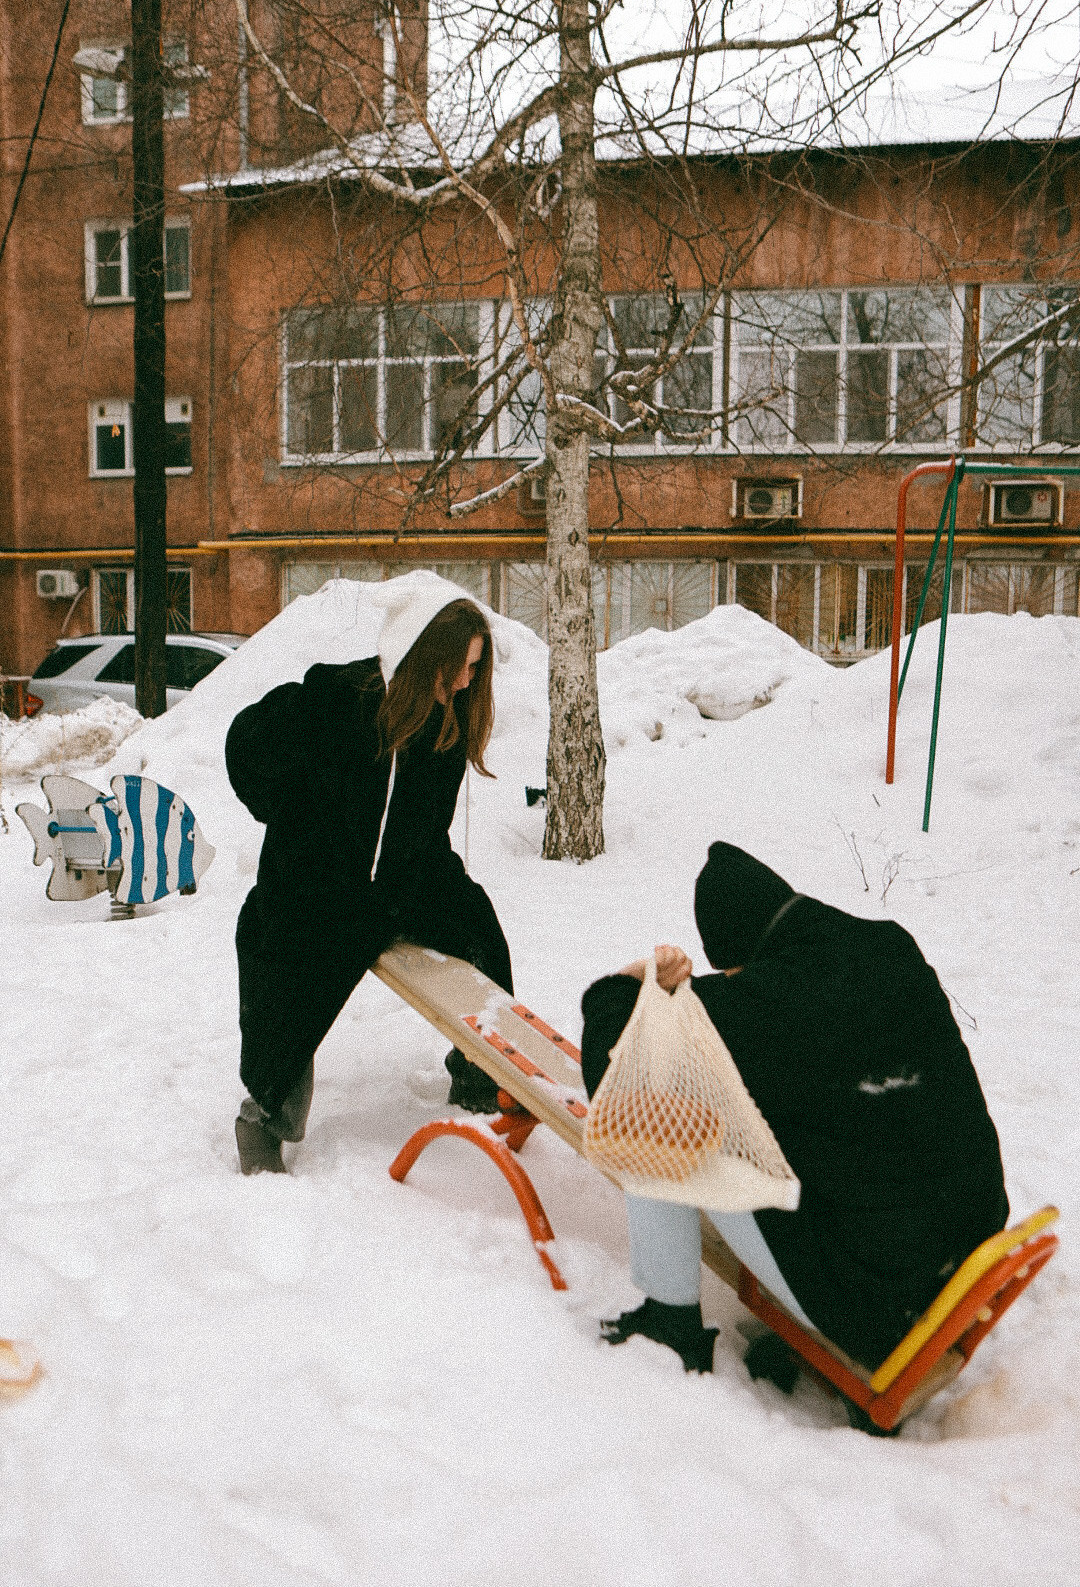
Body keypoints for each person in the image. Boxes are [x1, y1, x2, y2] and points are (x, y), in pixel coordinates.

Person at [580, 842, 1009, 1380]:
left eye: (730, 971)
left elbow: (611, 1068)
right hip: (967, 1248)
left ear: (741, 956)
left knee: (655, 1115)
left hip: (876, 1301)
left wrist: (628, 981)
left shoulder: (769, 1001)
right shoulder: (889, 947)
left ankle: (670, 1319)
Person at [226, 576, 513, 1175]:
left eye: (475, 669)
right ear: (422, 654)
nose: (466, 681)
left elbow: (425, 828)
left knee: (481, 933)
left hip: (404, 879)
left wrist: (430, 882)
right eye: (460, 666)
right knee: (293, 977)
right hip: (318, 881)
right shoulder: (335, 698)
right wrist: (290, 820)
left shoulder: (446, 723)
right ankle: (265, 1117)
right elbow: (246, 744)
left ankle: (480, 1076)